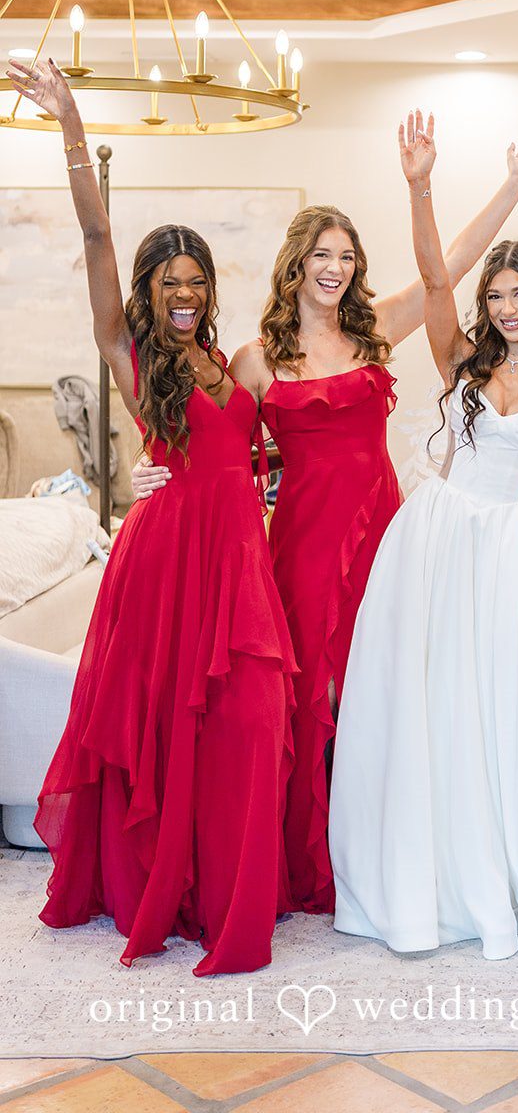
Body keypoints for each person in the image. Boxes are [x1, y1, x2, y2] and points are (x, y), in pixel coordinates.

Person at [130, 118, 518, 915]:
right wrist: (152, 473)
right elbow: (210, 440)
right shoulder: (252, 360)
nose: (335, 267)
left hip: (385, 536)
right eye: (322, 255)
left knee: (382, 691)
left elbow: (449, 267)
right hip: (298, 546)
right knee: (307, 699)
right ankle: (305, 860)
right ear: (296, 265)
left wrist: (499, 187)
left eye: (346, 256)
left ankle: (380, 851)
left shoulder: (375, 329)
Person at [8, 55, 295, 976]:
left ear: (210, 287)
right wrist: (71, 125)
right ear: (148, 287)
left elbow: (277, 440)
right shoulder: (131, 351)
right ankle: (159, 881)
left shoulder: (232, 360)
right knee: (168, 721)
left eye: (195, 281)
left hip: (236, 556)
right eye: (168, 281)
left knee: (247, 717)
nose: (183, 293)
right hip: (167, 556)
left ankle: (227, 883)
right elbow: (96, 236)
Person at [329, 114, 518, 961]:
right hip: (438, 538)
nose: (508, 307)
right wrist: (420, 185)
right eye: (496, 296)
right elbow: (429, 274)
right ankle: (436, 863)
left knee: (505, 706)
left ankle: (516, 855)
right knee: (432, 700)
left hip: (514, 550)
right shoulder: (464, 362)